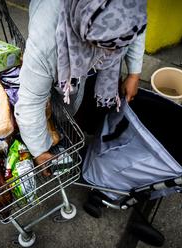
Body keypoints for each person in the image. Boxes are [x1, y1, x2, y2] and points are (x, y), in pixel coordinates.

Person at [15, 0, 147, 165]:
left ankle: (96, 134)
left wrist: (134, 72)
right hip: (68, 73)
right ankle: (77, 143)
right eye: (105, 47)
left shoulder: (121, 15)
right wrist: (39, 150)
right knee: (73, 118)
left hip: (102, 73)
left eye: (118, 46)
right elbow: (31, 101)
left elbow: (134, 24)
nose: (111, 55)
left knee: (98, 110)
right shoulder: (46, 44)